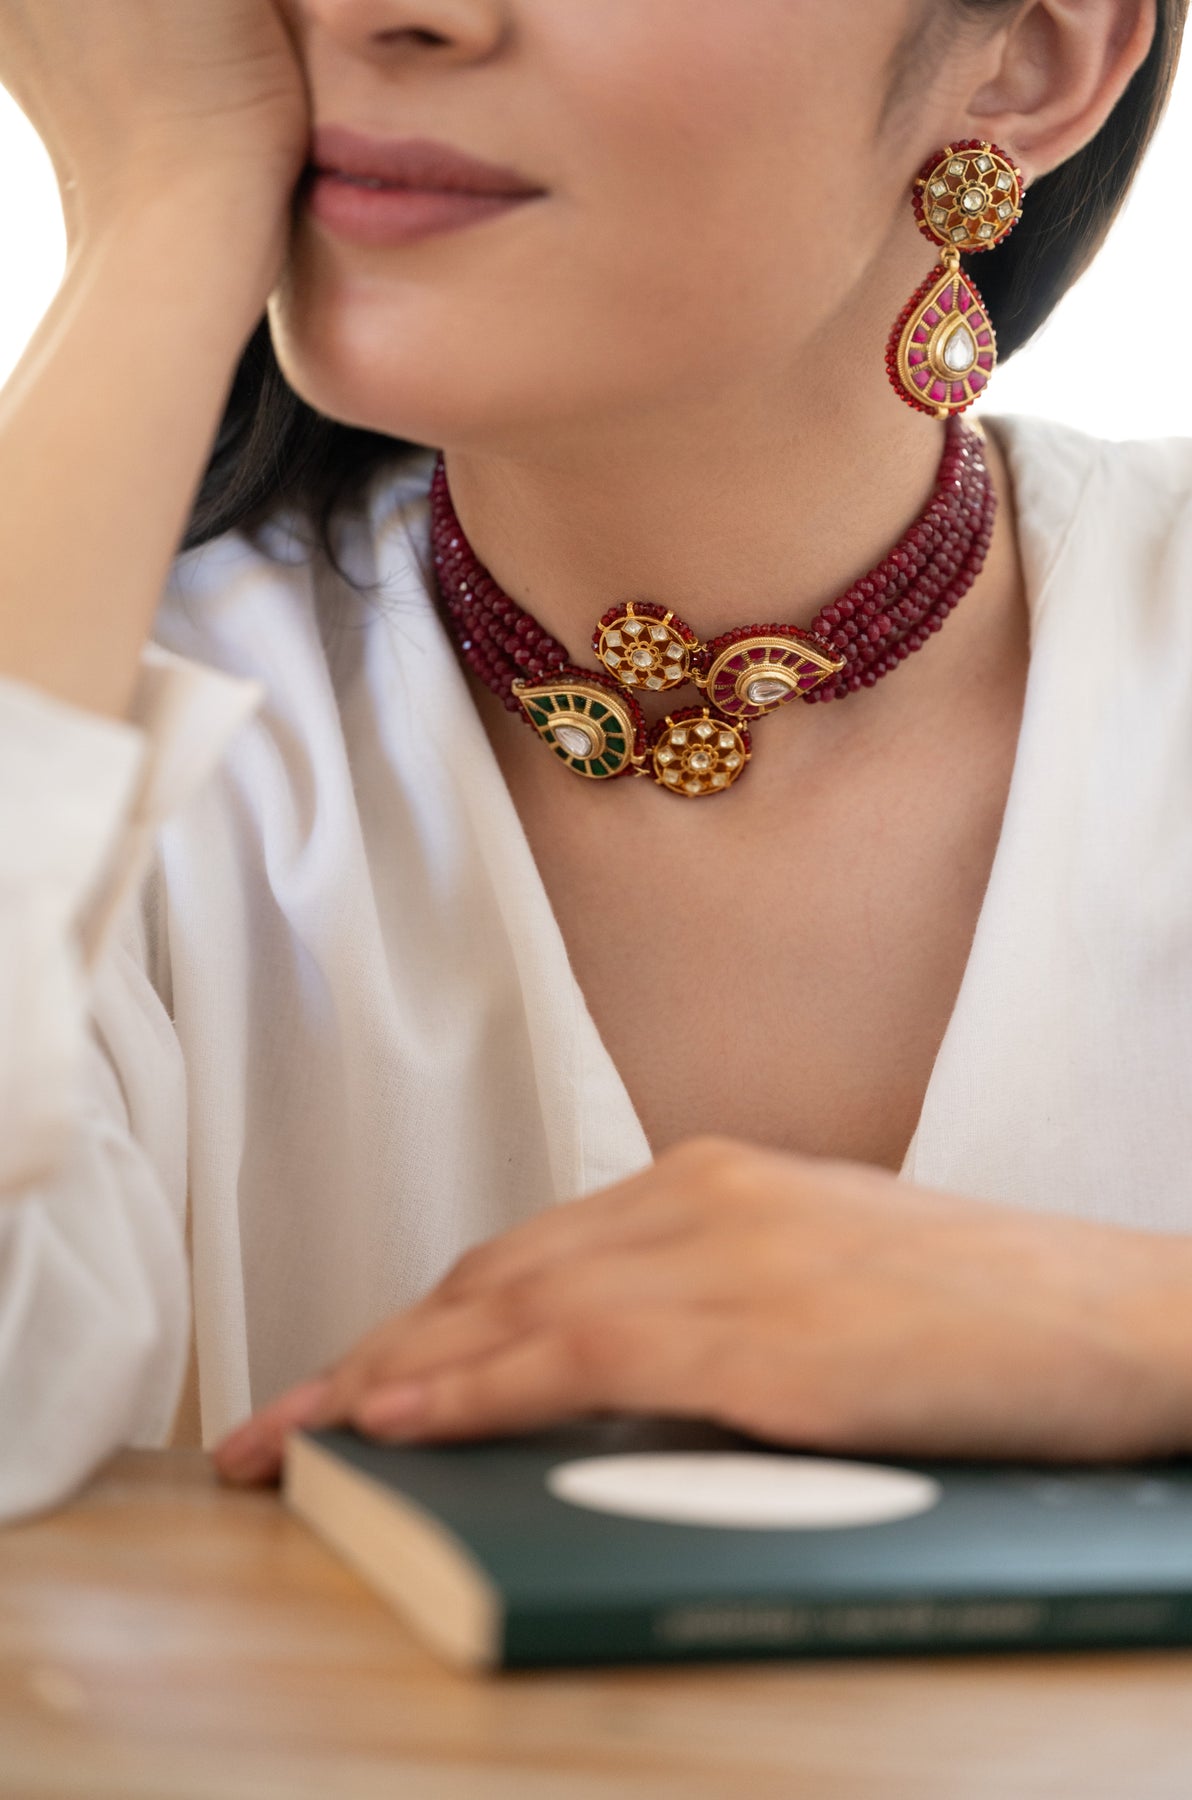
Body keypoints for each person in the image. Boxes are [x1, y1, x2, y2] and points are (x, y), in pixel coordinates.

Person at [0, 0, 1188, 1525]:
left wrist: (1140, 1325)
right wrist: (165, 195)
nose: (382, 9)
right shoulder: (87, 732)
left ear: (1029, 58)